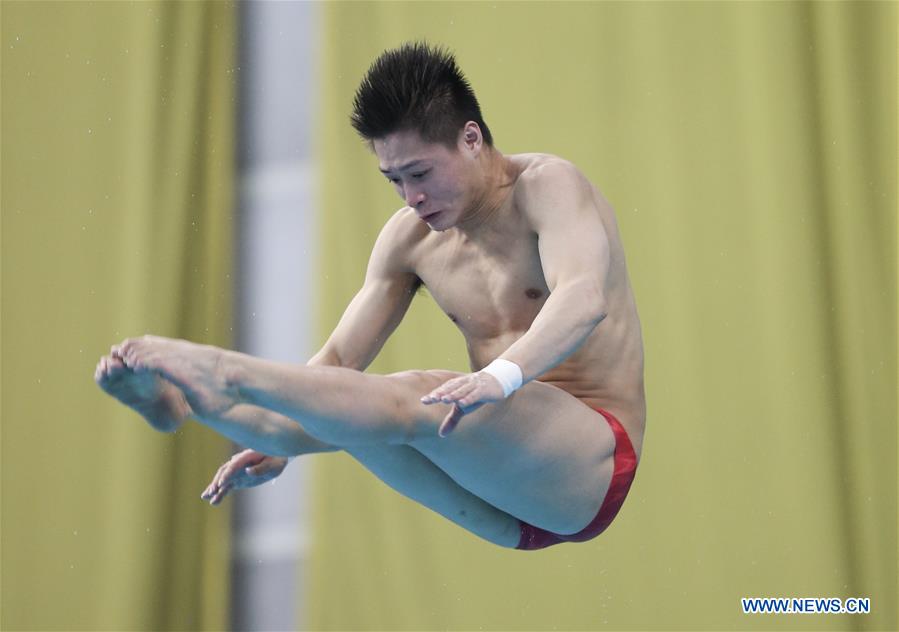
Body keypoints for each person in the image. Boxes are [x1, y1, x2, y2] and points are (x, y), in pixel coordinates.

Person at [95, 42, 645, 550]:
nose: (412, 198)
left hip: (590, 466)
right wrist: (290, 430)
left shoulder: (548, 188)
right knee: (344, 409)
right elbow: (336, 361)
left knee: (423, 397)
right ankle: (186, 407)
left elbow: (582, 298)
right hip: (504, 505)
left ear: (471, 138)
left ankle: (225, 373)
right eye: (394, 180)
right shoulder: (409, 241)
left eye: (420, 172)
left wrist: (495, 378)